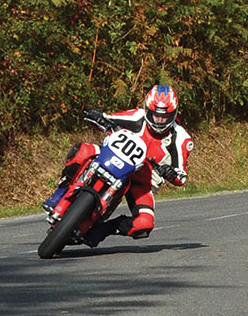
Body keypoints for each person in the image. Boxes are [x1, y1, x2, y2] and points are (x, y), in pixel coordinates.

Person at [41, 84, 193, 247]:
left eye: (165, 116)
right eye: (155, 115)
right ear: (147, 109)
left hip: (142, 180)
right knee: (83, 150)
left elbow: (181, 175)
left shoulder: (181, 138)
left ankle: (103, 229)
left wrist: (170, 173)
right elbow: (108, 118)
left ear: (174, 114)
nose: (160, 120)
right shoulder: (136, 116)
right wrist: (96, 116)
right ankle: (59, 193)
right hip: (113, 156)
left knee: (144, 224)